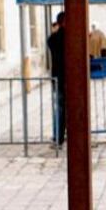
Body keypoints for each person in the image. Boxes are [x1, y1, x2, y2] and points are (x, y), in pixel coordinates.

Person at [46, 12, 66, 147]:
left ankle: (58, 137)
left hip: (57, 77)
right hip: (65, 78)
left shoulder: (52, 38)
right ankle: (59, 136)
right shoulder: (67, 37)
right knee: (62, 108)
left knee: (59, 108)